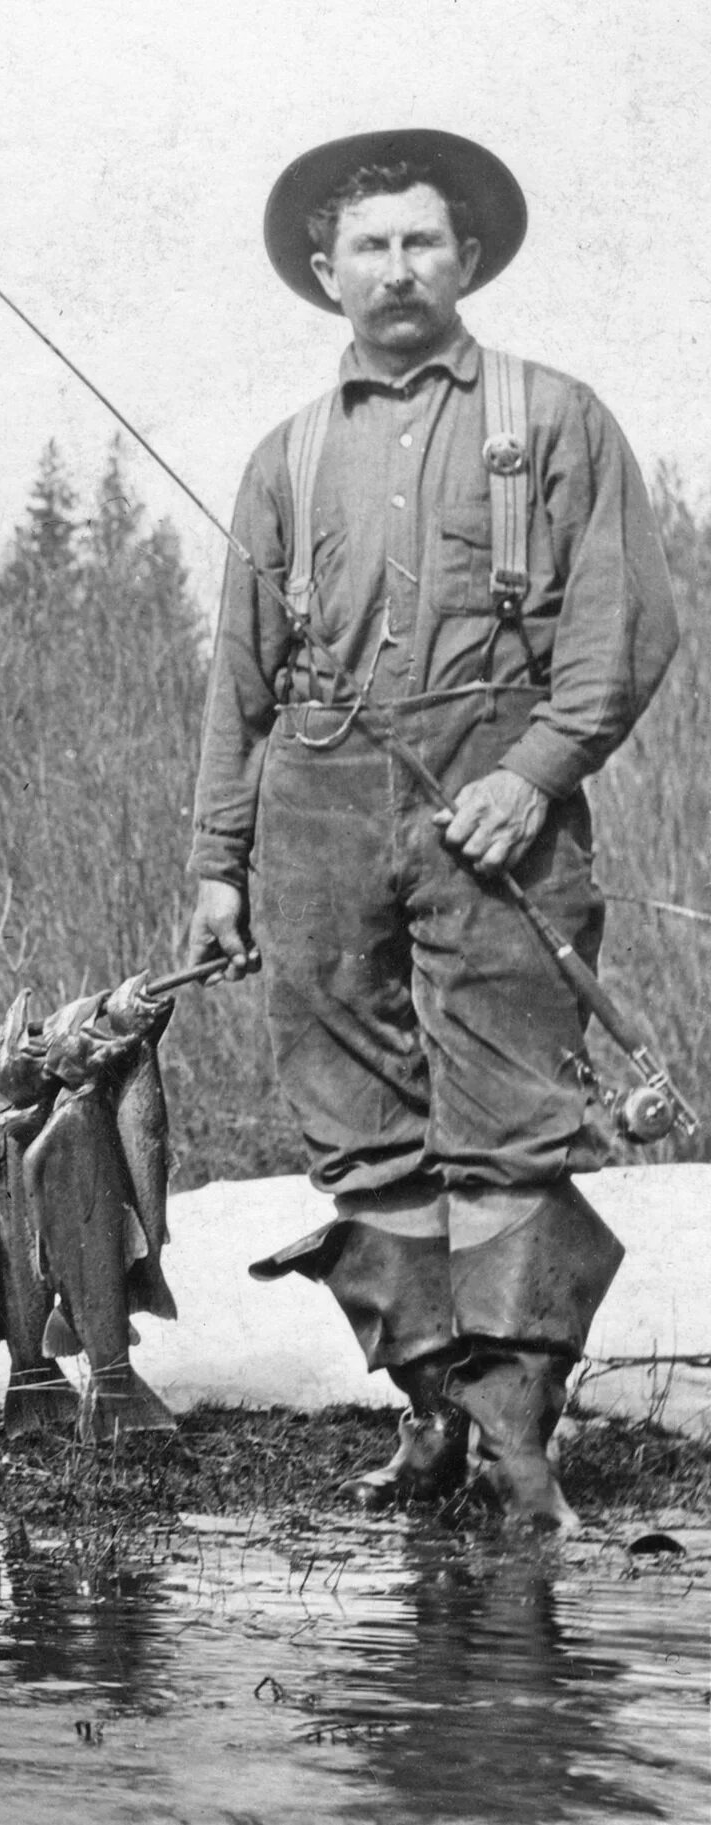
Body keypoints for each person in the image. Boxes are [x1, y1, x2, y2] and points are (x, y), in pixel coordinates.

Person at [187, 130, 679, 1534]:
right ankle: (432, 1415)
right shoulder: (284, 458)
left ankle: (523, 1443)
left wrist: (536, 771)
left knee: (509, 1123)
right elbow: (241, 677)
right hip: (320, 806)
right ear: (325, 274)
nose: (396, 269)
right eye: (370, 248)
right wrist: (218, 862)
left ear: (464, 261)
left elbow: (623, 625)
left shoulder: (557, 417)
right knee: (357, 1125)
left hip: (496, 803)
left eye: (421, 243)